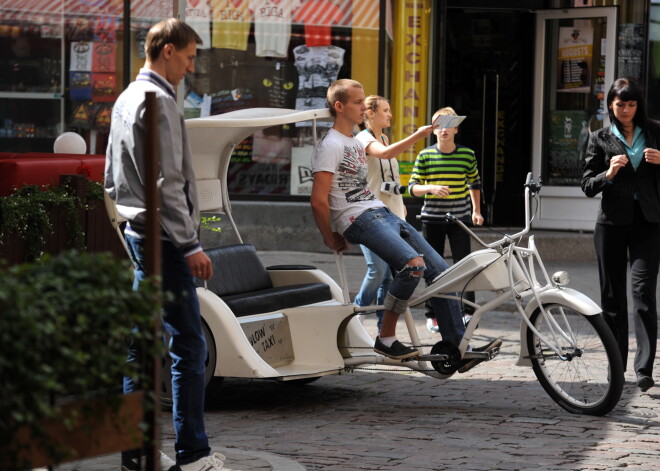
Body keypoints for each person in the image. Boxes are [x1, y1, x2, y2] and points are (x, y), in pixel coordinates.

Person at [310, 78, 501, 368]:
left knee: (442, 270)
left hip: (381, 211)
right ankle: (386, 338)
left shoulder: (352, 140)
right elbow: (318, 200)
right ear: (339, 106)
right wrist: (329, 236)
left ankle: (457, 346)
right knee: (413, 266)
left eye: (364, 102)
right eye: (358, 102)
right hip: (356, 217)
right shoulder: (331, 144)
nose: (364, 107)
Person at [105, 18, 225, 471]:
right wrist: (191, 244)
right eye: (190, 57)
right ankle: (193, 454)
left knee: (141, 343)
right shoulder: (156, 99)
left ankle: (137, 452)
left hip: (140, 232)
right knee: (189, 346)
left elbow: (112, 177)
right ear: (168, 50)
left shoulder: (125, 97)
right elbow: (168, 181)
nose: (191, 68)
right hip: (165, 239)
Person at [581, 77, 660, 393]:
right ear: (610, 106)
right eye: (619, 104)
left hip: (649, 223)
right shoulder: (599, 138)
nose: (625, 109)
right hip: (611, 225)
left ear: (637, 105)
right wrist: (608, 173)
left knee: (643, 293)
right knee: (611, 299)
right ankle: (617, 367)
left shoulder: (655, 131)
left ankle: (644, 369)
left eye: (631, 104)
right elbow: (587, 185)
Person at [353, 95, 434, 333]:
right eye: (385, 110)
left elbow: (390, 179)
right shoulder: (363, 138)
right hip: (370, 215)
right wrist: (419, 135)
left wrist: (401, 202)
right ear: (370, 114)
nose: (390, 115)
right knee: (377, 271)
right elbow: (386, 154)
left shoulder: (384, 137)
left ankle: (382, 329)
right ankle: (355, 317)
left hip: (393, 212)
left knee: (389, 276)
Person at [409, 106, 484, 333]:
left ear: (456, 129)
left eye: (449, 124)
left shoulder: (467, 154)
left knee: (465, 266)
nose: (444, 130)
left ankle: (469, 311)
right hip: (432, 219)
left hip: (459, 218)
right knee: (432, 267)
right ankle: (433, 314)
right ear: (433, 130)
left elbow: (474, 183)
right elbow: (412, 188)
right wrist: (430, 187)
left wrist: (476, 211)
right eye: (438, 125)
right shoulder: (425, 155)